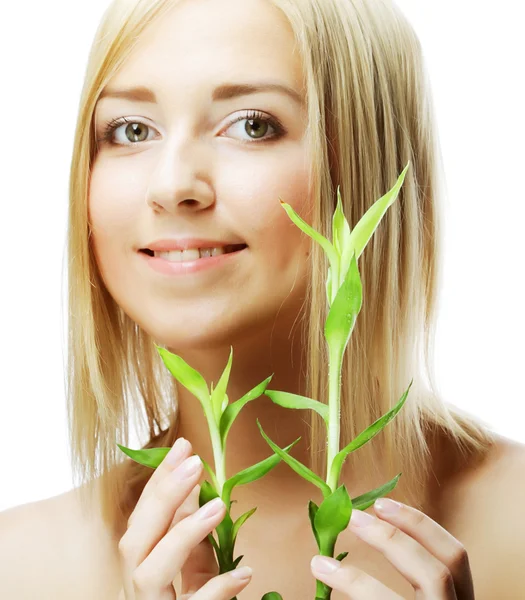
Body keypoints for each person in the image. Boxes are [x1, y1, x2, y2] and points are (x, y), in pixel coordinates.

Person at [1, 0, 524, 598]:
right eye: (131, 130)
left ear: (369, 170)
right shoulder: (16, 569)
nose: (172, 186)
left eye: (252, 124)